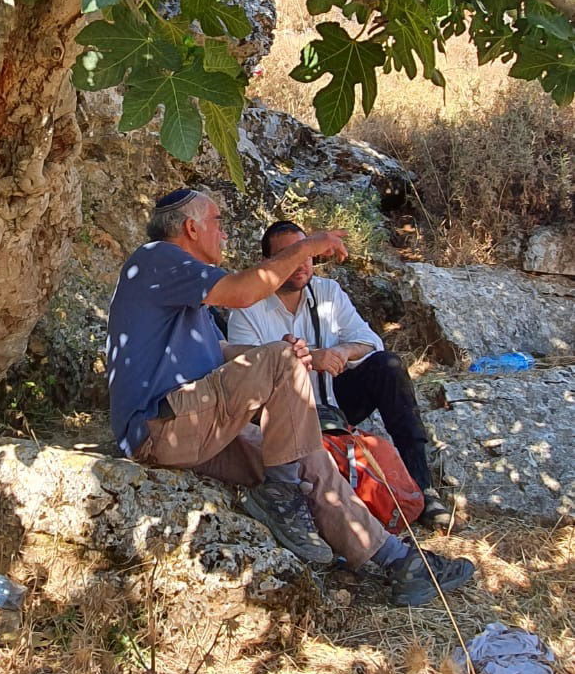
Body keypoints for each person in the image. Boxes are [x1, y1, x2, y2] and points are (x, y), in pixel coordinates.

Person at [106, 187, 475, 607]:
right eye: (218, 222)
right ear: (191, 228)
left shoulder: (183, 287)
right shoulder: (158, 258)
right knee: (284, 374)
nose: (224, 234)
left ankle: (397, 561)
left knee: (308, 453)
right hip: (160, 427)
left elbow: (221, 354)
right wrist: (309, 246)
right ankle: (281, 498)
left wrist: (284, 356)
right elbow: (245, 292)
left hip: (189, 427)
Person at [227, 218, 451, 527]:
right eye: (289, 256)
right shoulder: (248, 306)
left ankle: (422, 487)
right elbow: (246, 375)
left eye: (306, 254)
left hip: (332, 405)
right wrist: (305, 360)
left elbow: (370, 341)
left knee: (389, 367)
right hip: (282, 417)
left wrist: (343, 352)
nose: (301, 264)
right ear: (269, 263)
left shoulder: (327, 291)